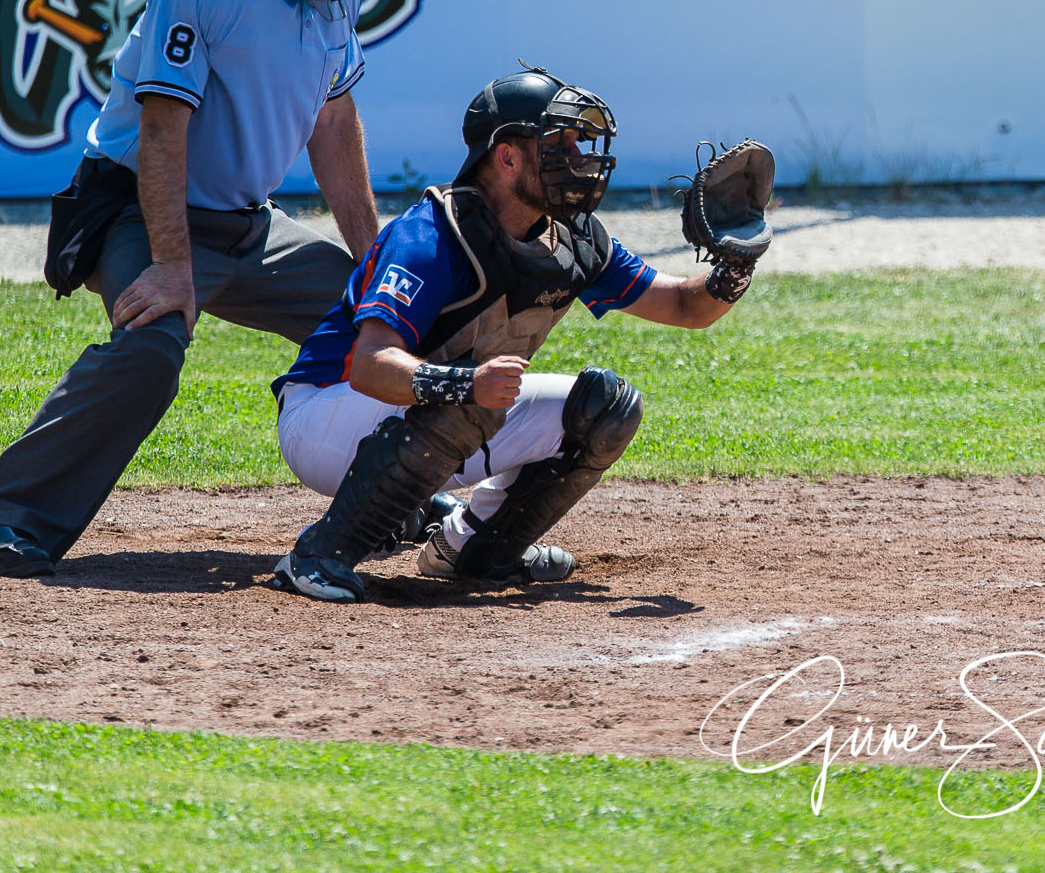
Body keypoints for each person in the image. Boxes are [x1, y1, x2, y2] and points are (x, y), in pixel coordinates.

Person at [0, 0, 379, 577]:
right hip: (138, 206)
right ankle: (9, 515)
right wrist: (174, 267)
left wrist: (375, 265)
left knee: (383, 323)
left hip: (246, 220)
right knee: (152, 348)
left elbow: (336, 126)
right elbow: (162, 130)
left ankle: (398, 493)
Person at [268, 68, 764, 603]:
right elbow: (369, 364)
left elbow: (688, 307)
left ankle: (474, 549)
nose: (577, 157)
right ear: (506, 157)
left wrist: (733, 267)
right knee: (469, 396)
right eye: (559, 142)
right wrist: (464, 386)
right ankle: (319, 554)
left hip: (431, 415)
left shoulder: (571, 240)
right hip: (323, 415)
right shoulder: (432, 233)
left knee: (606, 410)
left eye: (578, 141)